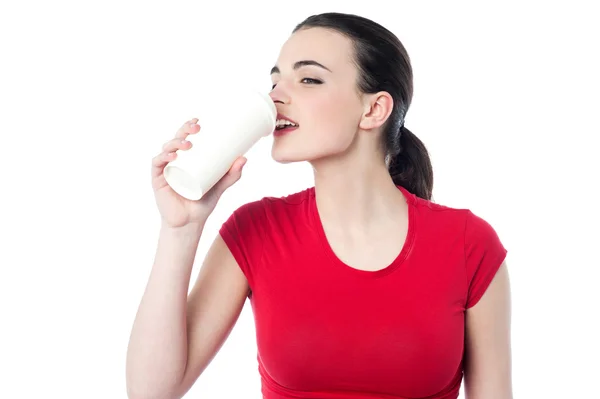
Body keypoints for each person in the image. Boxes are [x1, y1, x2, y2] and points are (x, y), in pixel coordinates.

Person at [126, 12, 513, 399]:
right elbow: (151, 392)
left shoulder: (468, 245)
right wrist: (180, 228)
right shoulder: (256, 231)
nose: (275, 95)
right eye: (275, 80)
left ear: (374, 109)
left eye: (308, 79)